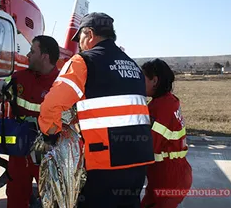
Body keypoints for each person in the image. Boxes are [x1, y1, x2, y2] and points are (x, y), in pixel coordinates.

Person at [37, 12, 155, 208]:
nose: (79, 45)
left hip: (105, 163)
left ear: (89, 34)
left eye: (80, 38)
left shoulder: (83, 62)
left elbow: (51, 105)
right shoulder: (133, 66)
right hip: (138, 161)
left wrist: (51, 134)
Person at [0, 35, 60, 208]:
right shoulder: (19, 78)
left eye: (33, 51)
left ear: (44, 56)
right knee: (16, 196)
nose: (27, 55)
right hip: (19, 153)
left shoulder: (62, 84)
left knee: (53, 200)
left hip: (48, 155)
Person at [140, 58, 193, 208]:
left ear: (154, 81)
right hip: (169, 174)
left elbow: (149, 146)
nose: (138, 83)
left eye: (142, 78)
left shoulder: (161, 107)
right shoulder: (169, 100)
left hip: (169, 179)